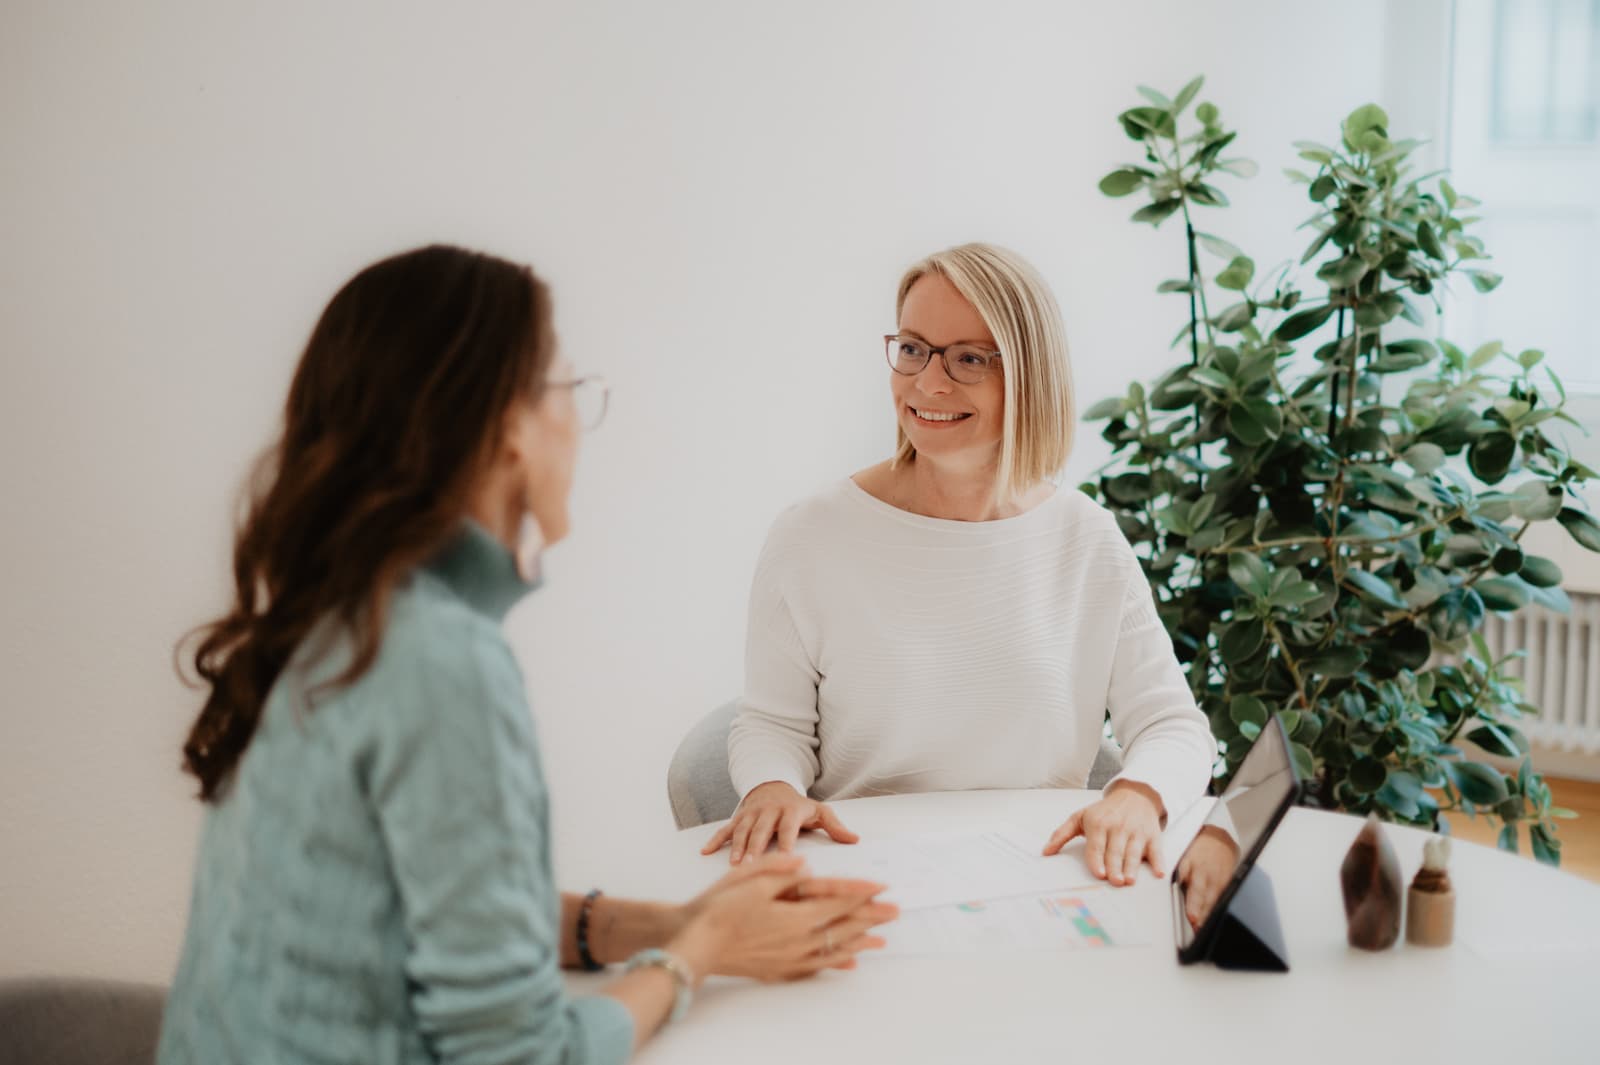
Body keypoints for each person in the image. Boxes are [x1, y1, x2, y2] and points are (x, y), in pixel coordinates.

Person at [158, 245, 897, 1064]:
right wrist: (699, 953)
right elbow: (521, 1056)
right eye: (568, 391)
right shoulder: (440, 663)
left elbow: (446, 907)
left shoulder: (334, 616)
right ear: (508, 428)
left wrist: (675, 922)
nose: (576, 423)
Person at [704, 242, 1218, 887]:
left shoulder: (1085, 538)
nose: (928, 383)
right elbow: (773, 723)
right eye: (914, 348)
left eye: (970, 359)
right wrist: (771, 786)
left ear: (1030, 376)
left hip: (1040, 875)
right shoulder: (811, 536)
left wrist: (1139, 794)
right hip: (866, 870)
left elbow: (1172, 722)